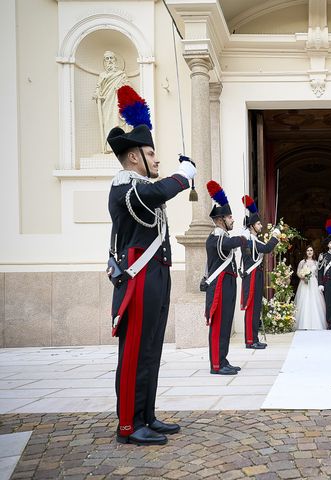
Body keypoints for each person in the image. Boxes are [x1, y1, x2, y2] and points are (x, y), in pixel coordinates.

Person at [106, 86, 196, 445]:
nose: (156, 161)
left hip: (155, 274)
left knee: (151, 349)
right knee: (135, 352)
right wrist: (183, 175)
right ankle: (128, 425)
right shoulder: (126, 187)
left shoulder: (139, 183)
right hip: (139, 275)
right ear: (132, 158)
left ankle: (147, 415)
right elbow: (155, 194)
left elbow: (155, 193)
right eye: (151, 154)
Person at [204, 181, 247, 375]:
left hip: (227, 283)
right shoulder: (216, 238)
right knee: (219, 324)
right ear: (221, 219)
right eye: (230, 217)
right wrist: (246, 236)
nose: (233, 220)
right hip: (220, 285)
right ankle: (216, 364)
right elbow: (232, 242)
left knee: (226, 323)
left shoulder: (222, 237)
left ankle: (222, 358)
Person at [240, 195, 280, 349]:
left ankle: (254, 338)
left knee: (256, 307)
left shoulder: (254, 239)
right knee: (251, 307)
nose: (260, 225)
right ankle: (250, 341)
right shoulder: (249, 239)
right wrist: (275, 235)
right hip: (251, 276)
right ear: (251, 226)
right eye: (258, 223)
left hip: (256, 276)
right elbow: (266, 248)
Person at [94, 51, 129, 152]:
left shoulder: (121, 74)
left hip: (117, 101)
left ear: (115, 60)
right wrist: (97, 94)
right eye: (107, 59)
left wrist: (122, 87)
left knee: (117, 122)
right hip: (107, 103)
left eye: (111, 58)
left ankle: (120, 146)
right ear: (104, 62)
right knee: (108, 123)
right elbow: (98, 87)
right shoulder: (102, 75)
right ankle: (109, 147)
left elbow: (128, 86)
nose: (109, 61)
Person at [294, 246, 327, 330]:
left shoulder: (316, 262)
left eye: (311, 250)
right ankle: (304, 323)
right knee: (304, 301)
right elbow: (298, 272)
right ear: (305, 252)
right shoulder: (302, 262)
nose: (309, 252)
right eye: (308, 250)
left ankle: (316, 323)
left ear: (313, 252)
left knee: (314, 302)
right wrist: (302, 276)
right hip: (304, 283)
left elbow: (318, 274)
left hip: (313, 282)